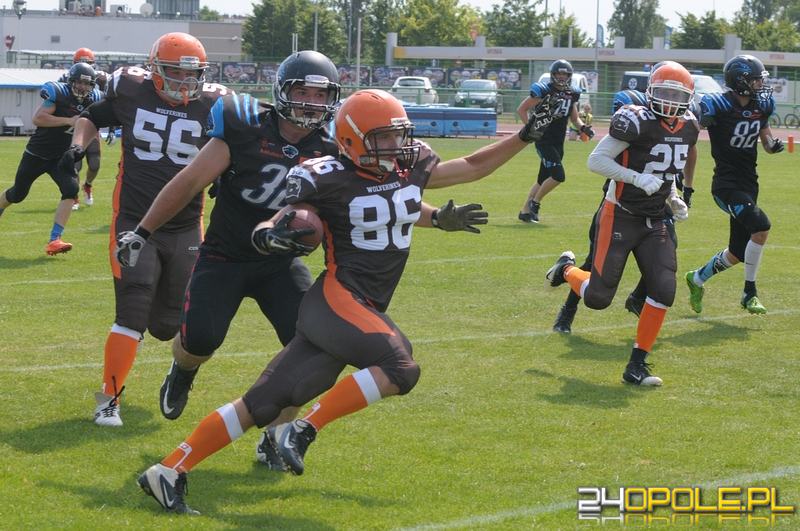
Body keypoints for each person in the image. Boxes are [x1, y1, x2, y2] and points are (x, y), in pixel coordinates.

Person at [136, 88, 551, 514]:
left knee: (263, 402)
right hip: (338, 301)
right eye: (383, 137)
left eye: (398, 134)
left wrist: (523, 138)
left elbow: (472, 166)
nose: (395, 144)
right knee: (400, 366)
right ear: (351, 140)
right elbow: (287, 216)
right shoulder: (326, 175)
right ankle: (301, 429)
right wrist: (267, 235)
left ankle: (168, 470)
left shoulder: (407, 166)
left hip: (359, 305)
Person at [114, 50, 342, 468]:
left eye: (320, 94)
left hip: (280, 264)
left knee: (308, 349)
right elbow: (189, 181)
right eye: (302, 92)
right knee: (199, 340)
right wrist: (143, 231)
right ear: (282, 91)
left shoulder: (332, 147)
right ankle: (183, 370)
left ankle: (275, 436)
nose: (311, 102)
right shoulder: (245, 126)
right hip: (225, 255)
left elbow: (345, 211)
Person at [59, 32, 228, 427]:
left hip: (185, 226)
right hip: (133, 220)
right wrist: (78, 145)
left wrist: (226, 176)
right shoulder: (131, 90)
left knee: (168, 326)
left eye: (192, 74)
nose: (184, 82)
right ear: (154, 69)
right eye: (175, 72)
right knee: (132, 309)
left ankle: (177, 371)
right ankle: (109, 400)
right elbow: (92, 116)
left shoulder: (215, 103)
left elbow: (237, 146)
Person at [544, 61, 697, 386]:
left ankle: (636, 365)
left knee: (664, 289)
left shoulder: (689, 127)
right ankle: (566, 270)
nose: (670, 101)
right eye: (664, 92)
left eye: (677, 94)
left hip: (656, 218)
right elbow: (596, 160)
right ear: (651, 92)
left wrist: (673, 197)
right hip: (621, 214)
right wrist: (636, 178)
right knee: (598, 298)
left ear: (688, 98)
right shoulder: (636, 120)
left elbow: (667, 170)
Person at [684, 55, 783, 316]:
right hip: (726, 185)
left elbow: (766, 140)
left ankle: (696, 278)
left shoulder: (761, 105)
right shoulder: (718, 104)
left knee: (737, 253)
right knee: (761, 226)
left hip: (750, 183)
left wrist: (773, 146)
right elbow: (691, 131)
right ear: (740, 81)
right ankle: (749, 292)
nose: (760, 84)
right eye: (755, 79)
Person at [0, 63, 101, 255]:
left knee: (71, 190)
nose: (83, 87)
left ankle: (55, 239)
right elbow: (38, 118)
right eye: (79, 82)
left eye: (87, 84)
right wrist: (68, 121)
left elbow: (92, 128)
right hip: (37, 154)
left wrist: (80, 146)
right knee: (18, 194)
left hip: (61, 156)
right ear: (71, 81)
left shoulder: (94, 100)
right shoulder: (60, 94)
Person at [517, 59, 594, 223]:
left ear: (569, 76)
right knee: (558, 176)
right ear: (553, 75)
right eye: (559, 73)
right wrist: (531, 128)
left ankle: (525, 212)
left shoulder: (572, 93)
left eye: (565, 74)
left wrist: (583, 128)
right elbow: (522, 109)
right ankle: (535, 204)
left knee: (543, 179)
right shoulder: (544, 90)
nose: (561, 77)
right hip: (544, 140)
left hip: (559, 142)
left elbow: (574, 118)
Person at [58, 47, 110, 210]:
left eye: (87, 62)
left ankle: (87, 185)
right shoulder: (65, 78)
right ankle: (73, 195)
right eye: (80, 62)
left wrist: (112, 128)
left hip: (92, 127)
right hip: (74, 128)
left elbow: (110, 104)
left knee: (94, 164)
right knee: (75, 165)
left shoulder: (102, 79)